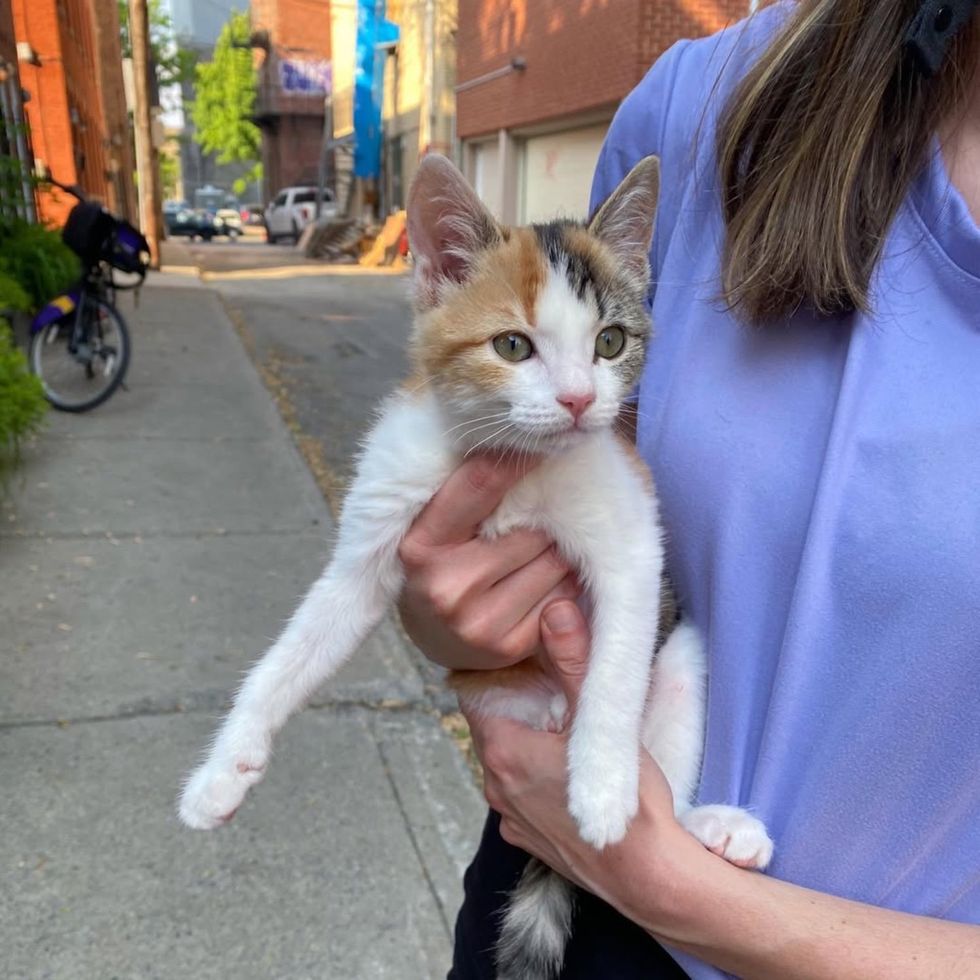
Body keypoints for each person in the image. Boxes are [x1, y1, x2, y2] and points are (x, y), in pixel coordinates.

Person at [398, 1, 980, 976]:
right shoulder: (699, 103)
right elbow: (556, 522)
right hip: (565, 881)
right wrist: (453, 616)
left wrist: (675, 888)